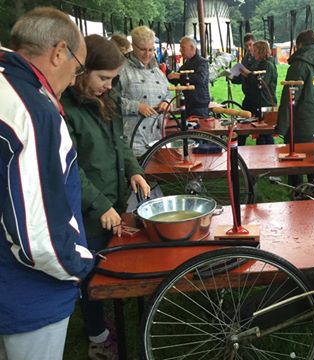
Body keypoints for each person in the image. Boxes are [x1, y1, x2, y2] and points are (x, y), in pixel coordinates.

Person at [0, 7, 94, 360]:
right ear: (59, 52)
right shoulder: (32, 110)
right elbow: (37, 235)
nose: (73, 80)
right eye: (78, 67)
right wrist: (79, 266)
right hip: (27, 292)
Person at [61, 34, 150, 359]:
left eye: (113, 79)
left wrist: (134, 170)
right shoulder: (66, 110)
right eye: (103, 78)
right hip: (86, 210)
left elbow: (120, 144)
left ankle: (104, 314)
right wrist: (99, 205)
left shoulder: (106, 101)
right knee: (91, 272)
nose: (109, 86)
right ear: (82, 70)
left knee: (106, 262)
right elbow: (71, 169)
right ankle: (98, 337)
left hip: (112, 201)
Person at [276, 29, 314, 186]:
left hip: (300, 126)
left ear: (299, 45)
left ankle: (298, 198)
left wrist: (281, 127)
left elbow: (289, 99)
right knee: (313, 164)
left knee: (295, 166)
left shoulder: (299, 66)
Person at [118, 26, 171, 157]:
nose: (147, 54)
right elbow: (110, 100)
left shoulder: (157, 71)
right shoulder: (122, 69)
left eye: (151, 50)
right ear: (133, 46)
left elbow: (168, 93)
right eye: (143, 49)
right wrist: (136, 106)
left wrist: (166, 102)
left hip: (157, 138)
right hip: (132, 139)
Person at [238, 40, 278, 145]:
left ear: (261, 51)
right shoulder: (262, 63)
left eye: (255, 50)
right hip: (257, 102)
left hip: (264, 103)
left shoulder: (268, 65)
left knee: (265, 133)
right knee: (260, 133)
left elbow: (261, 83)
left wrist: (248, 74)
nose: (252, 52)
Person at [168, 36, 210, 118]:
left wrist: (179, 75)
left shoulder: (202, 62)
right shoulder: (187, 64)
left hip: (199, 105)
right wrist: (167, 72)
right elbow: (177, 80)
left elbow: (200, 78)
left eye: (182, 47)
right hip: (188, 104)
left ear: (192, 48)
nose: (180, 50)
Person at [231, 33, 258, 145]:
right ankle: (239, 150)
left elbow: (255, 78)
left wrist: (247, 73)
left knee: (261, 130)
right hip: (248, 96)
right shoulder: (245, 58)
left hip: (258, 97)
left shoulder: (259, 59)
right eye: (246, 46)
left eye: (250, 45)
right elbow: (241, 78)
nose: (249, 48)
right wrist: (232, 76)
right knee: (242, 126)